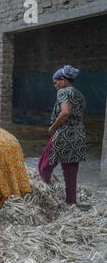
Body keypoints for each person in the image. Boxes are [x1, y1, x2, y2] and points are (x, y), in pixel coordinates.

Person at [38, 65, 87, 204]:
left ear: (64, 79)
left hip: (63, 135)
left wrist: (53, 127)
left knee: (44, 164)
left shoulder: (64, 91)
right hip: (78, 135)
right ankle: (71, 202)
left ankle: (43, 191)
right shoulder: (80, 95)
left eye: (56, 82)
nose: (55, 85)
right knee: (70, 172)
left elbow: (65, 112)